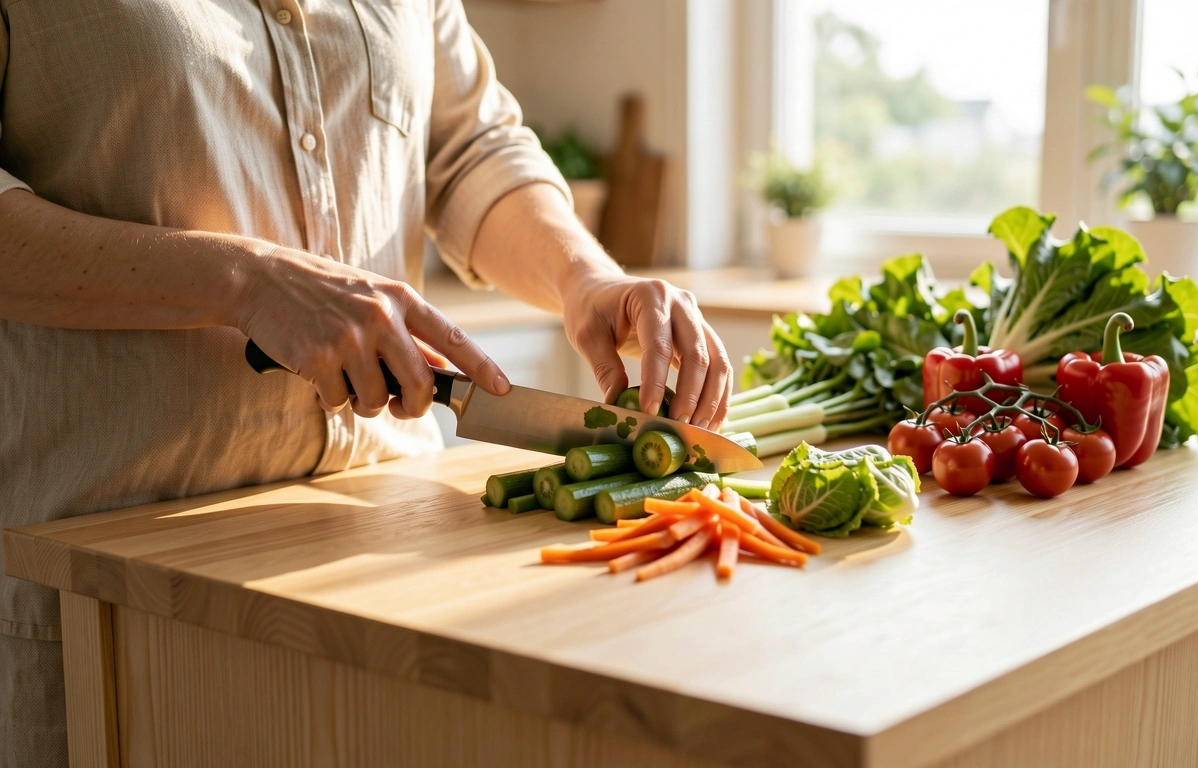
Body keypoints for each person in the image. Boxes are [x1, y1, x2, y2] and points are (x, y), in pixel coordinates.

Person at [0, 1, 732, 764]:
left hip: (393, 577)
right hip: (111, 599)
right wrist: (245, 279)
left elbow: (469, 148)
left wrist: (584, 277)